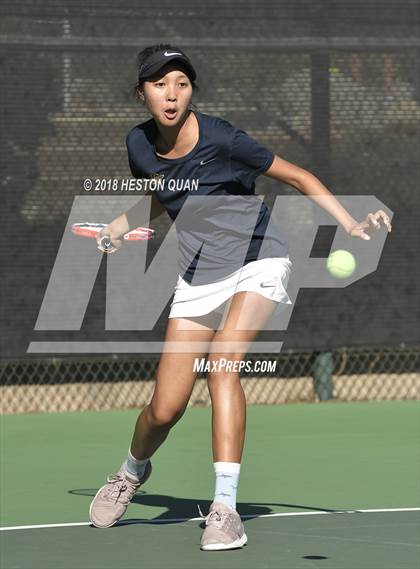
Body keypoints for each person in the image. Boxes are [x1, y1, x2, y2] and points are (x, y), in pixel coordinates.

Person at [88, 44, 392, 551]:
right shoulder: (139, 145)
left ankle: (226, 509)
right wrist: (119, 226)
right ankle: (130, 472)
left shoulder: (224, 138)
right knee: (165, 409)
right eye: (160, 83)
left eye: (182, 83)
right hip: (199, 272)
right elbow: (164, 199)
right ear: (142, 93)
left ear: (192, 92)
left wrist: (349, 222)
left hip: (260, 257)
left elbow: (296, 176)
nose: (172, 93)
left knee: (224, 364)